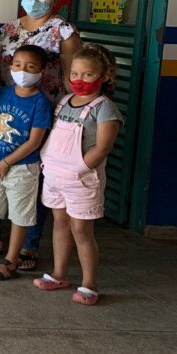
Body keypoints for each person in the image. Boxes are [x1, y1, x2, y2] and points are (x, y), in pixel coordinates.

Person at [0, 0, 81, 270]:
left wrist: (73, 113)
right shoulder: (9, 29)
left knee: (33, 175)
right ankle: (1, 239)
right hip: (8, 109)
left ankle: (29, 245)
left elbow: (71, 76)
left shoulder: (63, 31)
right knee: (4, 172)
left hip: (43, 112)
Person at [34, 44, 122, 306]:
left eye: (87, 74)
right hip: (55, 177)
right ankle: (59, 274)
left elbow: (103, 147)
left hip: (82, 180)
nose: (79, 79)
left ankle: (89, 283)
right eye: (75, 73)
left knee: (81, 230)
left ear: (103, 76)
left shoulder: (104, 108)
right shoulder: (63, 102)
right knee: (59, 223)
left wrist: (80, 168)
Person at [0, 45, 52, 279]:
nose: (22, 71)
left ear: (42, 71)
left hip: (22, 167)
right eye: (17, 65)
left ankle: (11, 260)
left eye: (30, 67)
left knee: (19, 216)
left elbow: (34, 141)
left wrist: (6, 162)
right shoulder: (4, 93)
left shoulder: (41, 102)